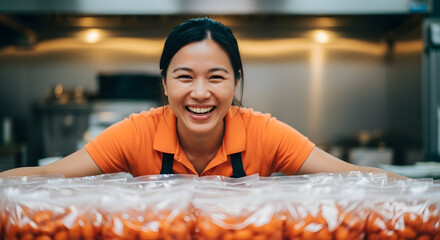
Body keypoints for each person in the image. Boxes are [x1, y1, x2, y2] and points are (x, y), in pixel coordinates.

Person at [0, 18, 404, 179]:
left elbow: (352, 176)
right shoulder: (136, 135)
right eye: (184, 77)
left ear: (235, 82)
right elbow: (47, 178)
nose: (200, 93)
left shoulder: (264, 134)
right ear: (164, 83)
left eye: (216, 77)